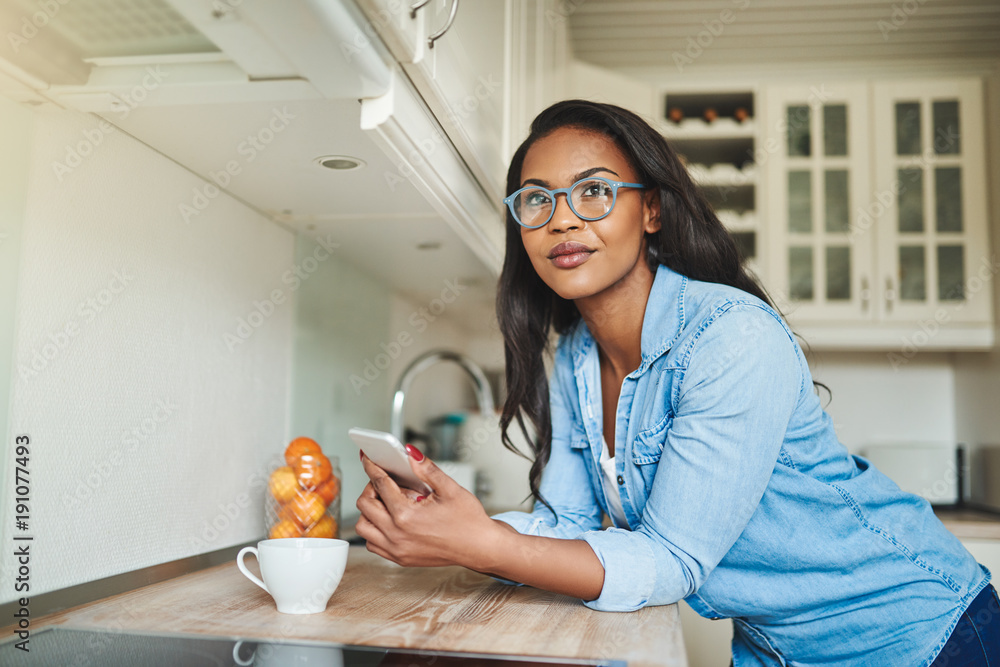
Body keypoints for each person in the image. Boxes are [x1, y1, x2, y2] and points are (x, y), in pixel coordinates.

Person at [356, 99, 999, 665]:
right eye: (536, 200)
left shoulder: (731, 338)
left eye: (595, 191)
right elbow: (568, 522)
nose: (562, 220)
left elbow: (673, 560)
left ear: (653, 211)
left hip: (921, 635)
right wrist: (451, 526)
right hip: (778, 647)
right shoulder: (576, 356)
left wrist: (482, 544)